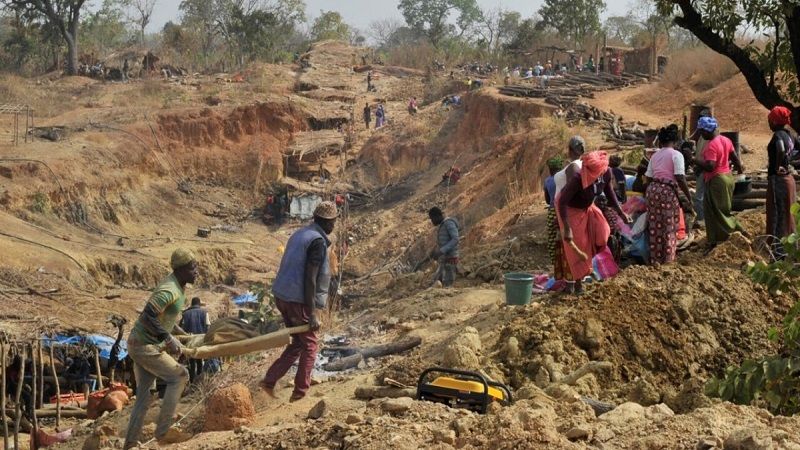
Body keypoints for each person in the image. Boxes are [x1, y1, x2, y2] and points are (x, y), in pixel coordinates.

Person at [260, 202, 337, 402]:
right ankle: (300, 393)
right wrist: (312, 313)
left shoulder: (300, 234)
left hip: (282, 295)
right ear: (327, 222)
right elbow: (310, 278)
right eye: (333, 222)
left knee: (297, 343)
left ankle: (269, 381)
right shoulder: (317, 242)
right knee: (311, 345)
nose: (334, 226)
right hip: (297, 300)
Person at [124, 249, 198, 449]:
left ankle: (130, 442)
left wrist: (181, 333)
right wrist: (168, 338)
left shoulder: (179, 286)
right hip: (144, 345)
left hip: (138, 343)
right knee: (180, 376)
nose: (196, 271)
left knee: (145, 395)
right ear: (181, 269)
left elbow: (165, 317)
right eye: (192, 268)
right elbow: (147, 316)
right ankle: (164, 432)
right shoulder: (169, 290)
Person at [557, 151, 630, 294]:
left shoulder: (606, 173)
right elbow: (562, 201)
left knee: (603, 233)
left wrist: (621, 213)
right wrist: (567, 227)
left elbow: (610, 193)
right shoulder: (579, 177)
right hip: (571, 210)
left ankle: (589, 255)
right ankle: (578, 284)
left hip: (588, 207)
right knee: (578, 245)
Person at [644, 125, 694, 265]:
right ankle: (667, 260)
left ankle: (655, 259)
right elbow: (679, 176)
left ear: (660, 142)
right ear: (676, 141)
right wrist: (688, 195)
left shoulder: (655, 156)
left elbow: (648, 177)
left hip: (653, 190)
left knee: (655, 226)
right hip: (667, 191)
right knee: (669, 226)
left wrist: (654, 188)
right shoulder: (676, 155)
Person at [694, 116, 746, 249]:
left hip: (716, 180)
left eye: (701, 131)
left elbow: (710, 166)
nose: (700, 134)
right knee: (722, 209)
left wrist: (693, 159)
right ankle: (720, 237)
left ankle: (733, 232)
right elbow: (735, 158)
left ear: (707, 130)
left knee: (715, 212)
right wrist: (740, 172)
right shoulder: (725, 140)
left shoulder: (712, 145)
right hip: (727, 177)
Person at [765, 106, 797, 259]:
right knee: (788, 215)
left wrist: (779, 166)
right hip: (788, 180)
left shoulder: (778, 135)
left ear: (775, 121)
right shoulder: (790, 135)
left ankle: (778, 254)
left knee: (777, 215)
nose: (769, 123)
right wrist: (789, 164)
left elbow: (781, 150)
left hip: (778, 180)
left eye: (770, 120)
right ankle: (791, 249)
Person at [179, 297, 210, 383]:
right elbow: (208, 326)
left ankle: (191, 381)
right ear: (199, 304)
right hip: (201, 340)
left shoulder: (185, 314)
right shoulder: (204, 313)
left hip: (189, 341)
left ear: (192, 304)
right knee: (200, 361)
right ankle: (198, 381)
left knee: (191, 362)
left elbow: (181, 328)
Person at [691, 108, 713, 228]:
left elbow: (707, 157)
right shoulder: (702, 136)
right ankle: (703, 219)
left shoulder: (709, 137)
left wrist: (697, 164)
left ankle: (702, 220)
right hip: (701, 168)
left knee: (700, 196)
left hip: (705, 169)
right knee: (702, 196)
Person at [428, 207, 459, 287]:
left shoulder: (449, 223)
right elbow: (444, 241)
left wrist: (441, 251)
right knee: (437, 280)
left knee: (448, 284)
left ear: (437, 216)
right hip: (445, 259)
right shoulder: (443, 225)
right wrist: (435, 251)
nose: (432, 221)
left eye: (432, 219)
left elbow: (455, 239)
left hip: (451, 258)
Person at [544, 157, 563, 272]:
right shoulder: (563, 179)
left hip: (552, 211)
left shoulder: (547, 181)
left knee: (551, 238)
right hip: (564, 210)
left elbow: (547, 200)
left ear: (550, 169)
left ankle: (554, 264)